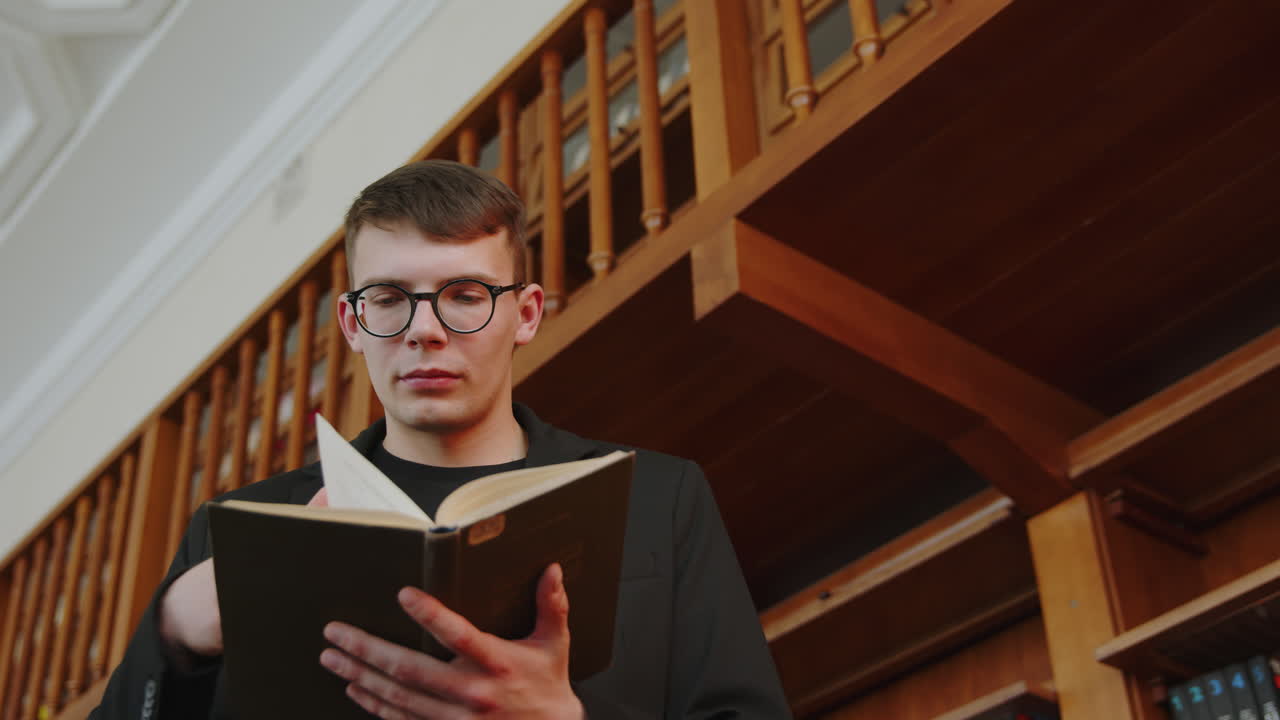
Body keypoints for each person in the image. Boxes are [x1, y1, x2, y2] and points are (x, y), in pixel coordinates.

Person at [90, 160, 791, 719]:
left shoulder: (660, 498)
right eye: (390, 299)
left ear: (525, 314)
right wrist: (176, 631)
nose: (424, 329)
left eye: (463, 295)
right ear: (353, 324)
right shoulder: (234, 529)